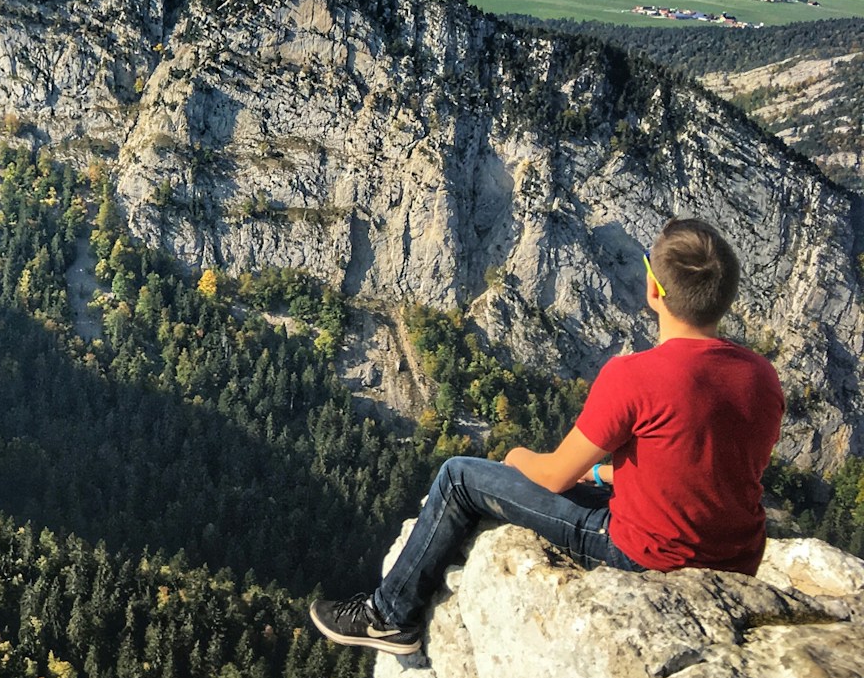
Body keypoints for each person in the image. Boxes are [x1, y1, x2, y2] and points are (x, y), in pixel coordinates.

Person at [310, 216, 785, 655]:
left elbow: (555, 476)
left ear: (654, 290)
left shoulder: (636, 375)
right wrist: (604, 473)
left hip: (645, 554)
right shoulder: (761, 375)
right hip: (736, 560)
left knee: (459, 476)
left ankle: (388, 616)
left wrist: (518, 457)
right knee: (589, 480)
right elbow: (701, 463)